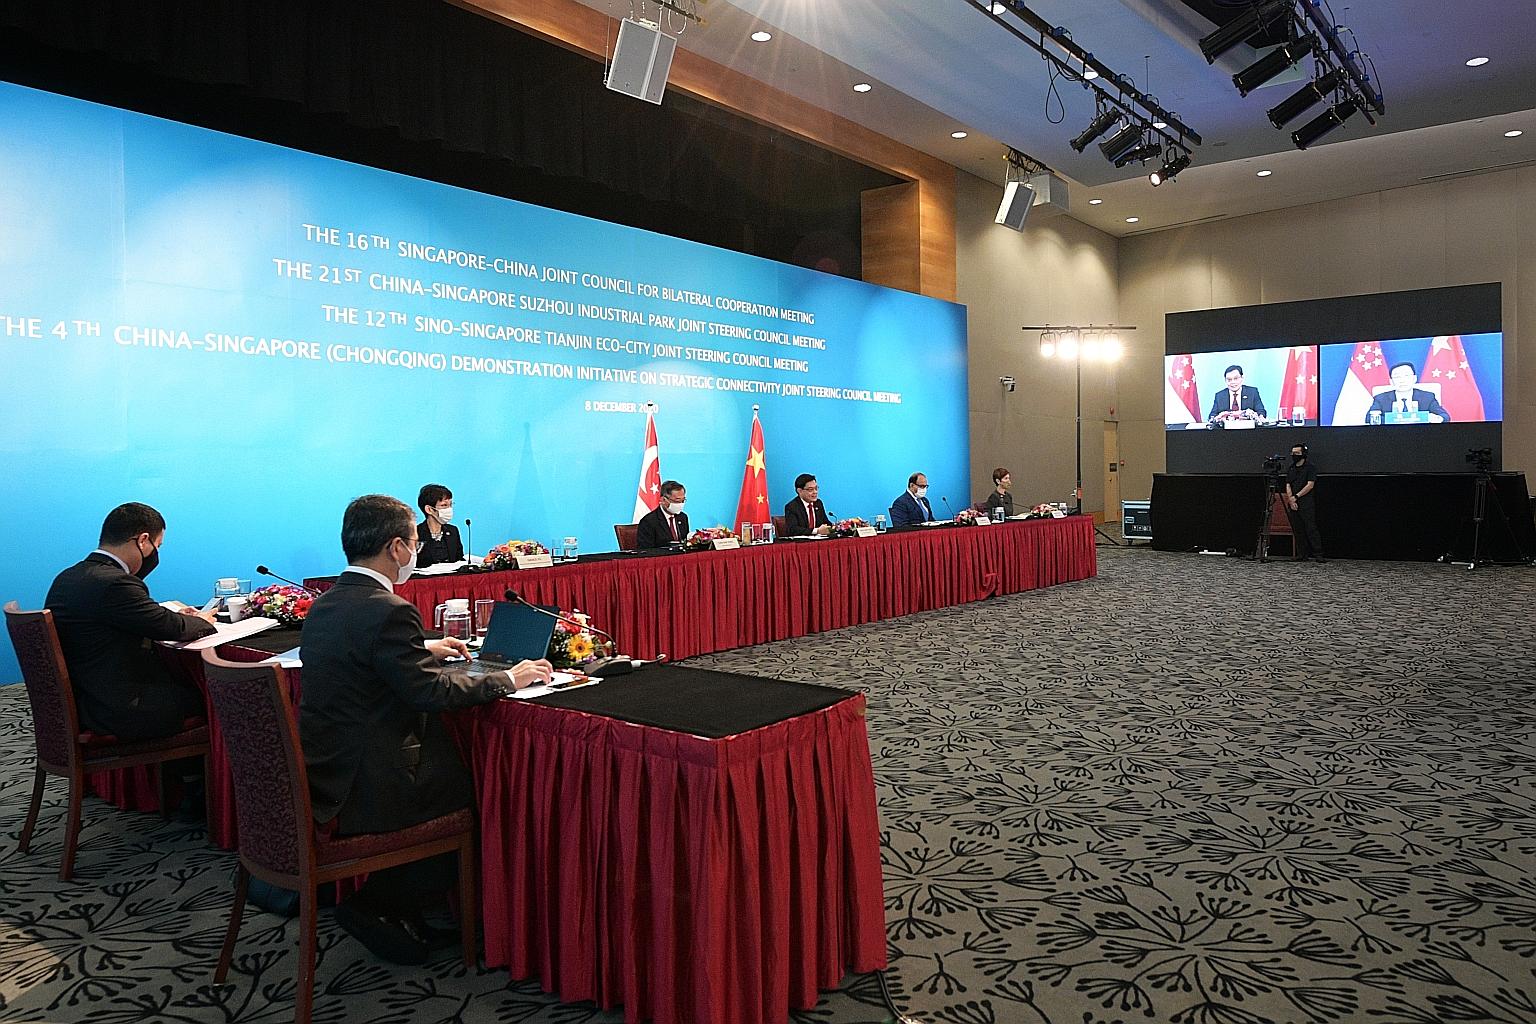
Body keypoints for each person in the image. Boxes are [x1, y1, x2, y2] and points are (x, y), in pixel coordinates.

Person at [299, 494, 554, 965]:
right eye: (414, 543)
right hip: (371, 780)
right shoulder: (389, 609)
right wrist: (508, 679)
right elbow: (429, 693)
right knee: (471, 792)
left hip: (328, 767)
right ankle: (377, 905)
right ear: (396, 547)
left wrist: (422, 650)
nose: (414, 551)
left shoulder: (327, 602)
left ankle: (398, 909)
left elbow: (363, 659)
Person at [44, 502, 217, 742]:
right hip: (120, 708)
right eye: (157, 546)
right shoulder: (115, 583)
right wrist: (203, 620)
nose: (156, 555)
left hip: (88, 698)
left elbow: (134, 616)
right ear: (143, 540)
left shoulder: (69, 576)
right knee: (220, 697)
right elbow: (173, 628)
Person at [1367, 362, 1451, 423]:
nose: (1402, 380)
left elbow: (1445, 416)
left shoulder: (1427, 397)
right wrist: (1397, 419)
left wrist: (1436, 418)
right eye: (1397, 377)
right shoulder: (1380, 398)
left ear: (1414, 379)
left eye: (1406, 376)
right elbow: (1368, 418)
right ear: (1391, 382)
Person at [1283, 443, 1325, 563]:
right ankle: (1302, 554)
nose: (1294, 455)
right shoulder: (1291, 468)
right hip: (1293, 503)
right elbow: (1288, 484)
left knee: (1311, 528)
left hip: (1306, 503)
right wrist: (1291, 499)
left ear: (1303, 454)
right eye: (1292, 453)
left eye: (1297, 453)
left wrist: (1296, 496)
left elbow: (1310, 485)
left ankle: (1318, 554)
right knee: (1298, 529)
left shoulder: (1310, 467)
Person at [415, 484, 464, 568]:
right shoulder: (415, 533)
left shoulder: (453, 531)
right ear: (429, 509)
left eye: (450, 505)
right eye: (444, 505)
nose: (449, 509)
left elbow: (459, 559)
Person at [636, 480, 690, 548]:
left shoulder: (683, 517)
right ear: (663, 500)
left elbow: (686, 543)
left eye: (683, 500)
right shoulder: (649, 521)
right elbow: (646, 549)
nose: (680, 504)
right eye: (677, 501)